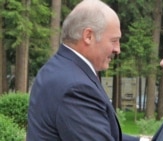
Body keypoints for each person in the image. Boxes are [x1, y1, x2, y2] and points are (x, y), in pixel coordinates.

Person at [26, 0, 139, 140]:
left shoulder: (60, 68)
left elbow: (96, 130)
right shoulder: (76, 88)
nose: (117, 49)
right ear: (88, 36)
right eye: (114, 40)